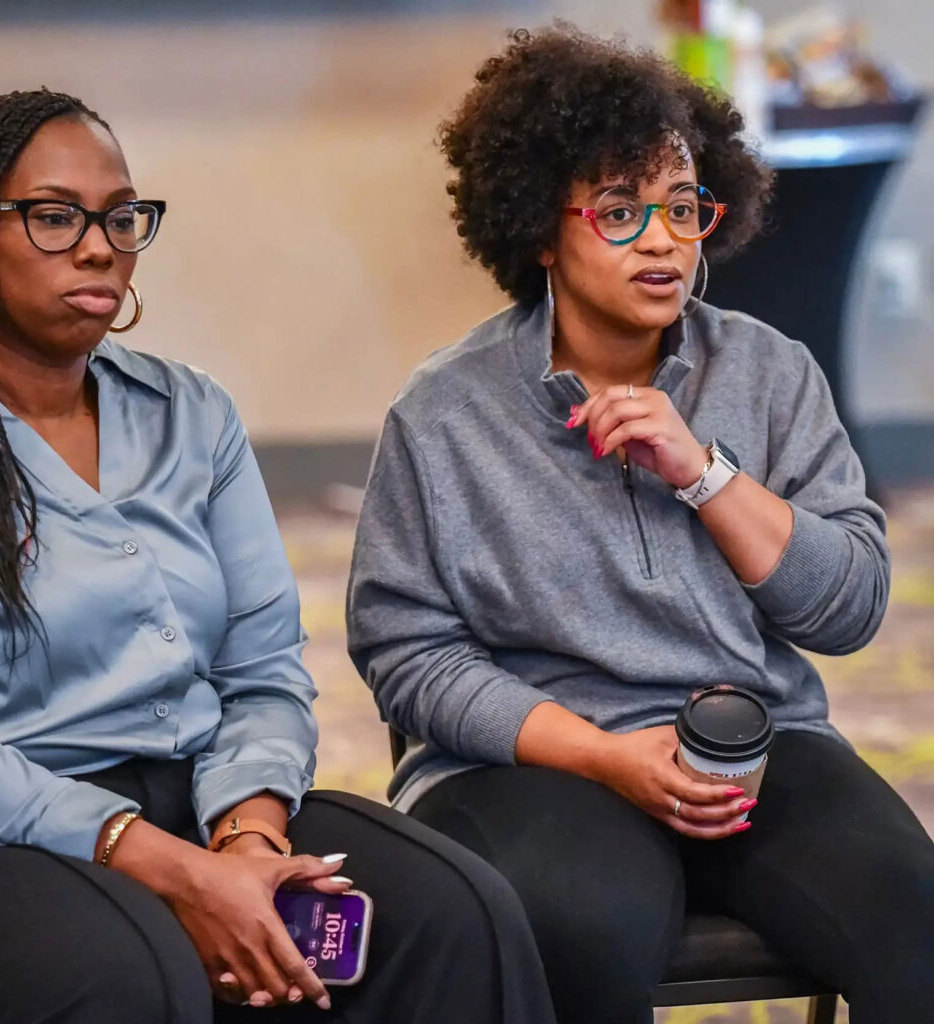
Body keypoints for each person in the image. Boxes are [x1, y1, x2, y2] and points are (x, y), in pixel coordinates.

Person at [0, 88, 555, 1024]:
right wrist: (162, 864)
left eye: (120, 217)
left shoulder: (190, 415)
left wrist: (247, 838)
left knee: (453, 913)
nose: (100, 245)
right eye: (54, 217)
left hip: (185, 800)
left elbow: (263, 673)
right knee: (132, 971)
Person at [346, 25, 934, 1024]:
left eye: (680, 208)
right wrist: (605, 754)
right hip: (532, 759)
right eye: (621, 212)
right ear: (541, 228)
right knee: (578, 928)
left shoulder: (770, 372)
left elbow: (850, 609)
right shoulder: (445, 412)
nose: (662, 239)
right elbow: (407, 653)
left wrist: (704, 474)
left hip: (751, 741)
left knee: (914, 915)